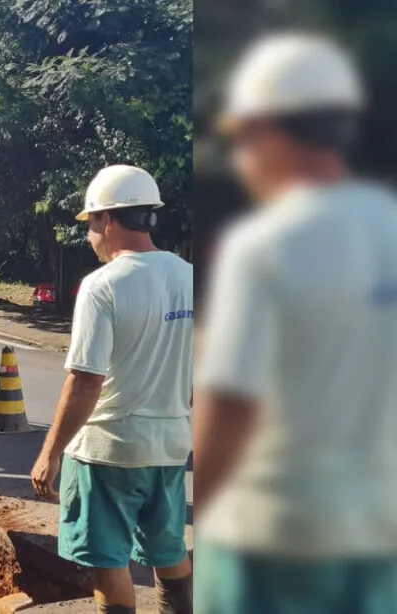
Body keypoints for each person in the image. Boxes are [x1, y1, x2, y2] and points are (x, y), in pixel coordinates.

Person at [193, 33, 397, 614]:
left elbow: (231, 407)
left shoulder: (264, 247)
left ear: (269, 133)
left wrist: (201, 511)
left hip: (275, 539)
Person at [31, 165, 194, 614]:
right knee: (169, 550)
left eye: (90, 226)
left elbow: (85, 379)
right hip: (169, 447)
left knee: (108, 562)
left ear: (108, 219)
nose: (90, 238)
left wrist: (50, 452)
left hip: (108, 452)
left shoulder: (103, 287)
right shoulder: (190, 278)